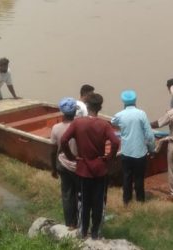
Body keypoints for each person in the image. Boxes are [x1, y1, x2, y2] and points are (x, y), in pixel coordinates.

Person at [61, 93, 120, 239]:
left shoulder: (77, 123)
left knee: (83, 202)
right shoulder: (104, 125)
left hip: (83, 169)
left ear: (86, 107)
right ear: (100, 107)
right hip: (100, 169)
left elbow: (63, 140)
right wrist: (109, 158)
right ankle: (96, 233)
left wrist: (71, 157)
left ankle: (83, 231)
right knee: (99, 203)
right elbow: (116, 142)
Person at [111, 90, 155, 205]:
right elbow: (149, 135)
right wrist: (152, 149)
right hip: (140, 152)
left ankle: (127, 200)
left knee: (126, 177)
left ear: (123, 102)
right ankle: (140, 200)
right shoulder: (141, 114)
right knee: (139, 177)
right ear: (135, 101)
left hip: (126, 152)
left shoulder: (119, 115)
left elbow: (113, 121)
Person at [50, 97, 78, 228]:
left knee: (67, 195)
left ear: (62, 112)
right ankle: (81, 223)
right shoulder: (80, 126)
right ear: (75, 112)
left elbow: (52, 151)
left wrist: (53, 169)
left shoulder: (56, 128)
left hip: (63, 164)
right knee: (80, 195)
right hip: (78, 166)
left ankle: (69, 224)